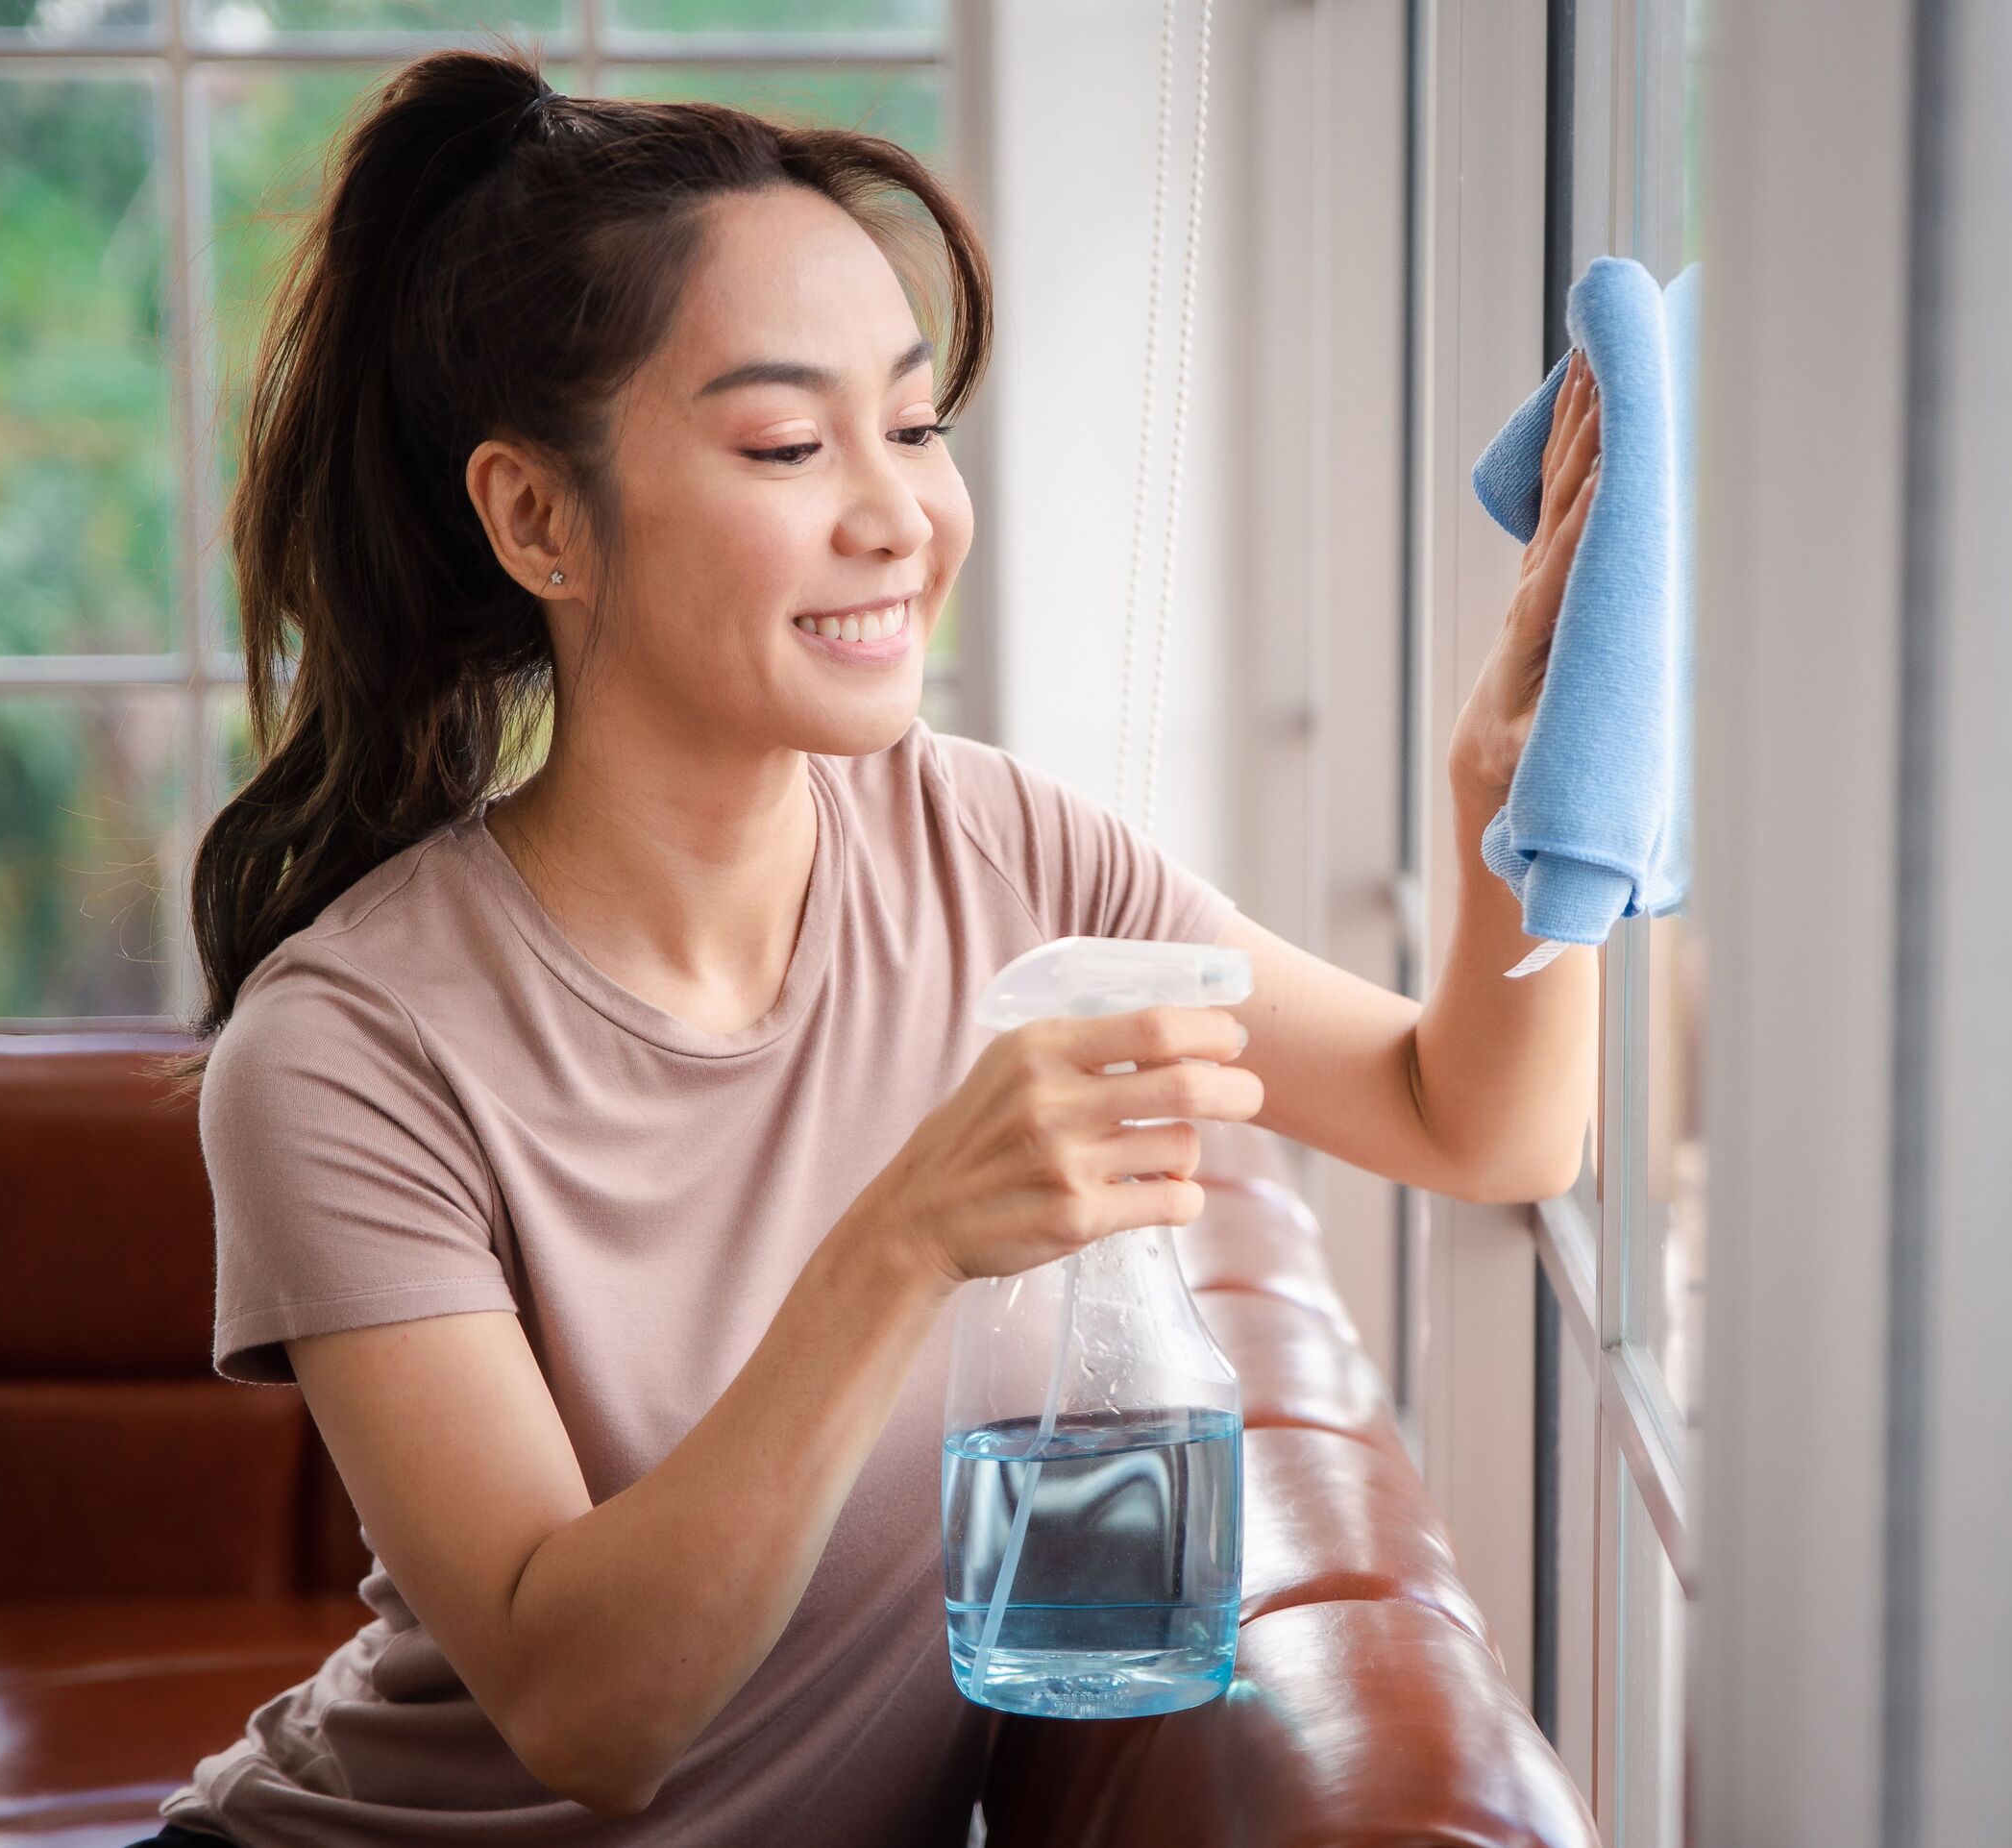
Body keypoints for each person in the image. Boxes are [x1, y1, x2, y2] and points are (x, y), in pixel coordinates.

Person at [146, 47, 1606, 1846]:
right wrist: (909, 1235)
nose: (901, 515)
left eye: (914, 427)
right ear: (537, 519)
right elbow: (590, 1714)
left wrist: (1521, 802)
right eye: (787, 444)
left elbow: (1473, 1119)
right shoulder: (345, 1048)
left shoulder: (997, 847)